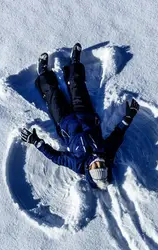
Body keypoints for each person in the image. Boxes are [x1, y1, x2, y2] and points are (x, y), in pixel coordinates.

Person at [20, 43, 140, 190]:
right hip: (85, 114)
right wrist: (129, 117)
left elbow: (56, 157)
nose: (98, 162)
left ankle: (43, 73)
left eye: (95, 166)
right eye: (101, 165)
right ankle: (75, 62)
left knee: (53, 95)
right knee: (77, 86)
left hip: (64, 122)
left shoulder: (78, 164)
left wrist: (36, 141)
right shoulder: (106, 152)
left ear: (90, 171)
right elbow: (117, 135)